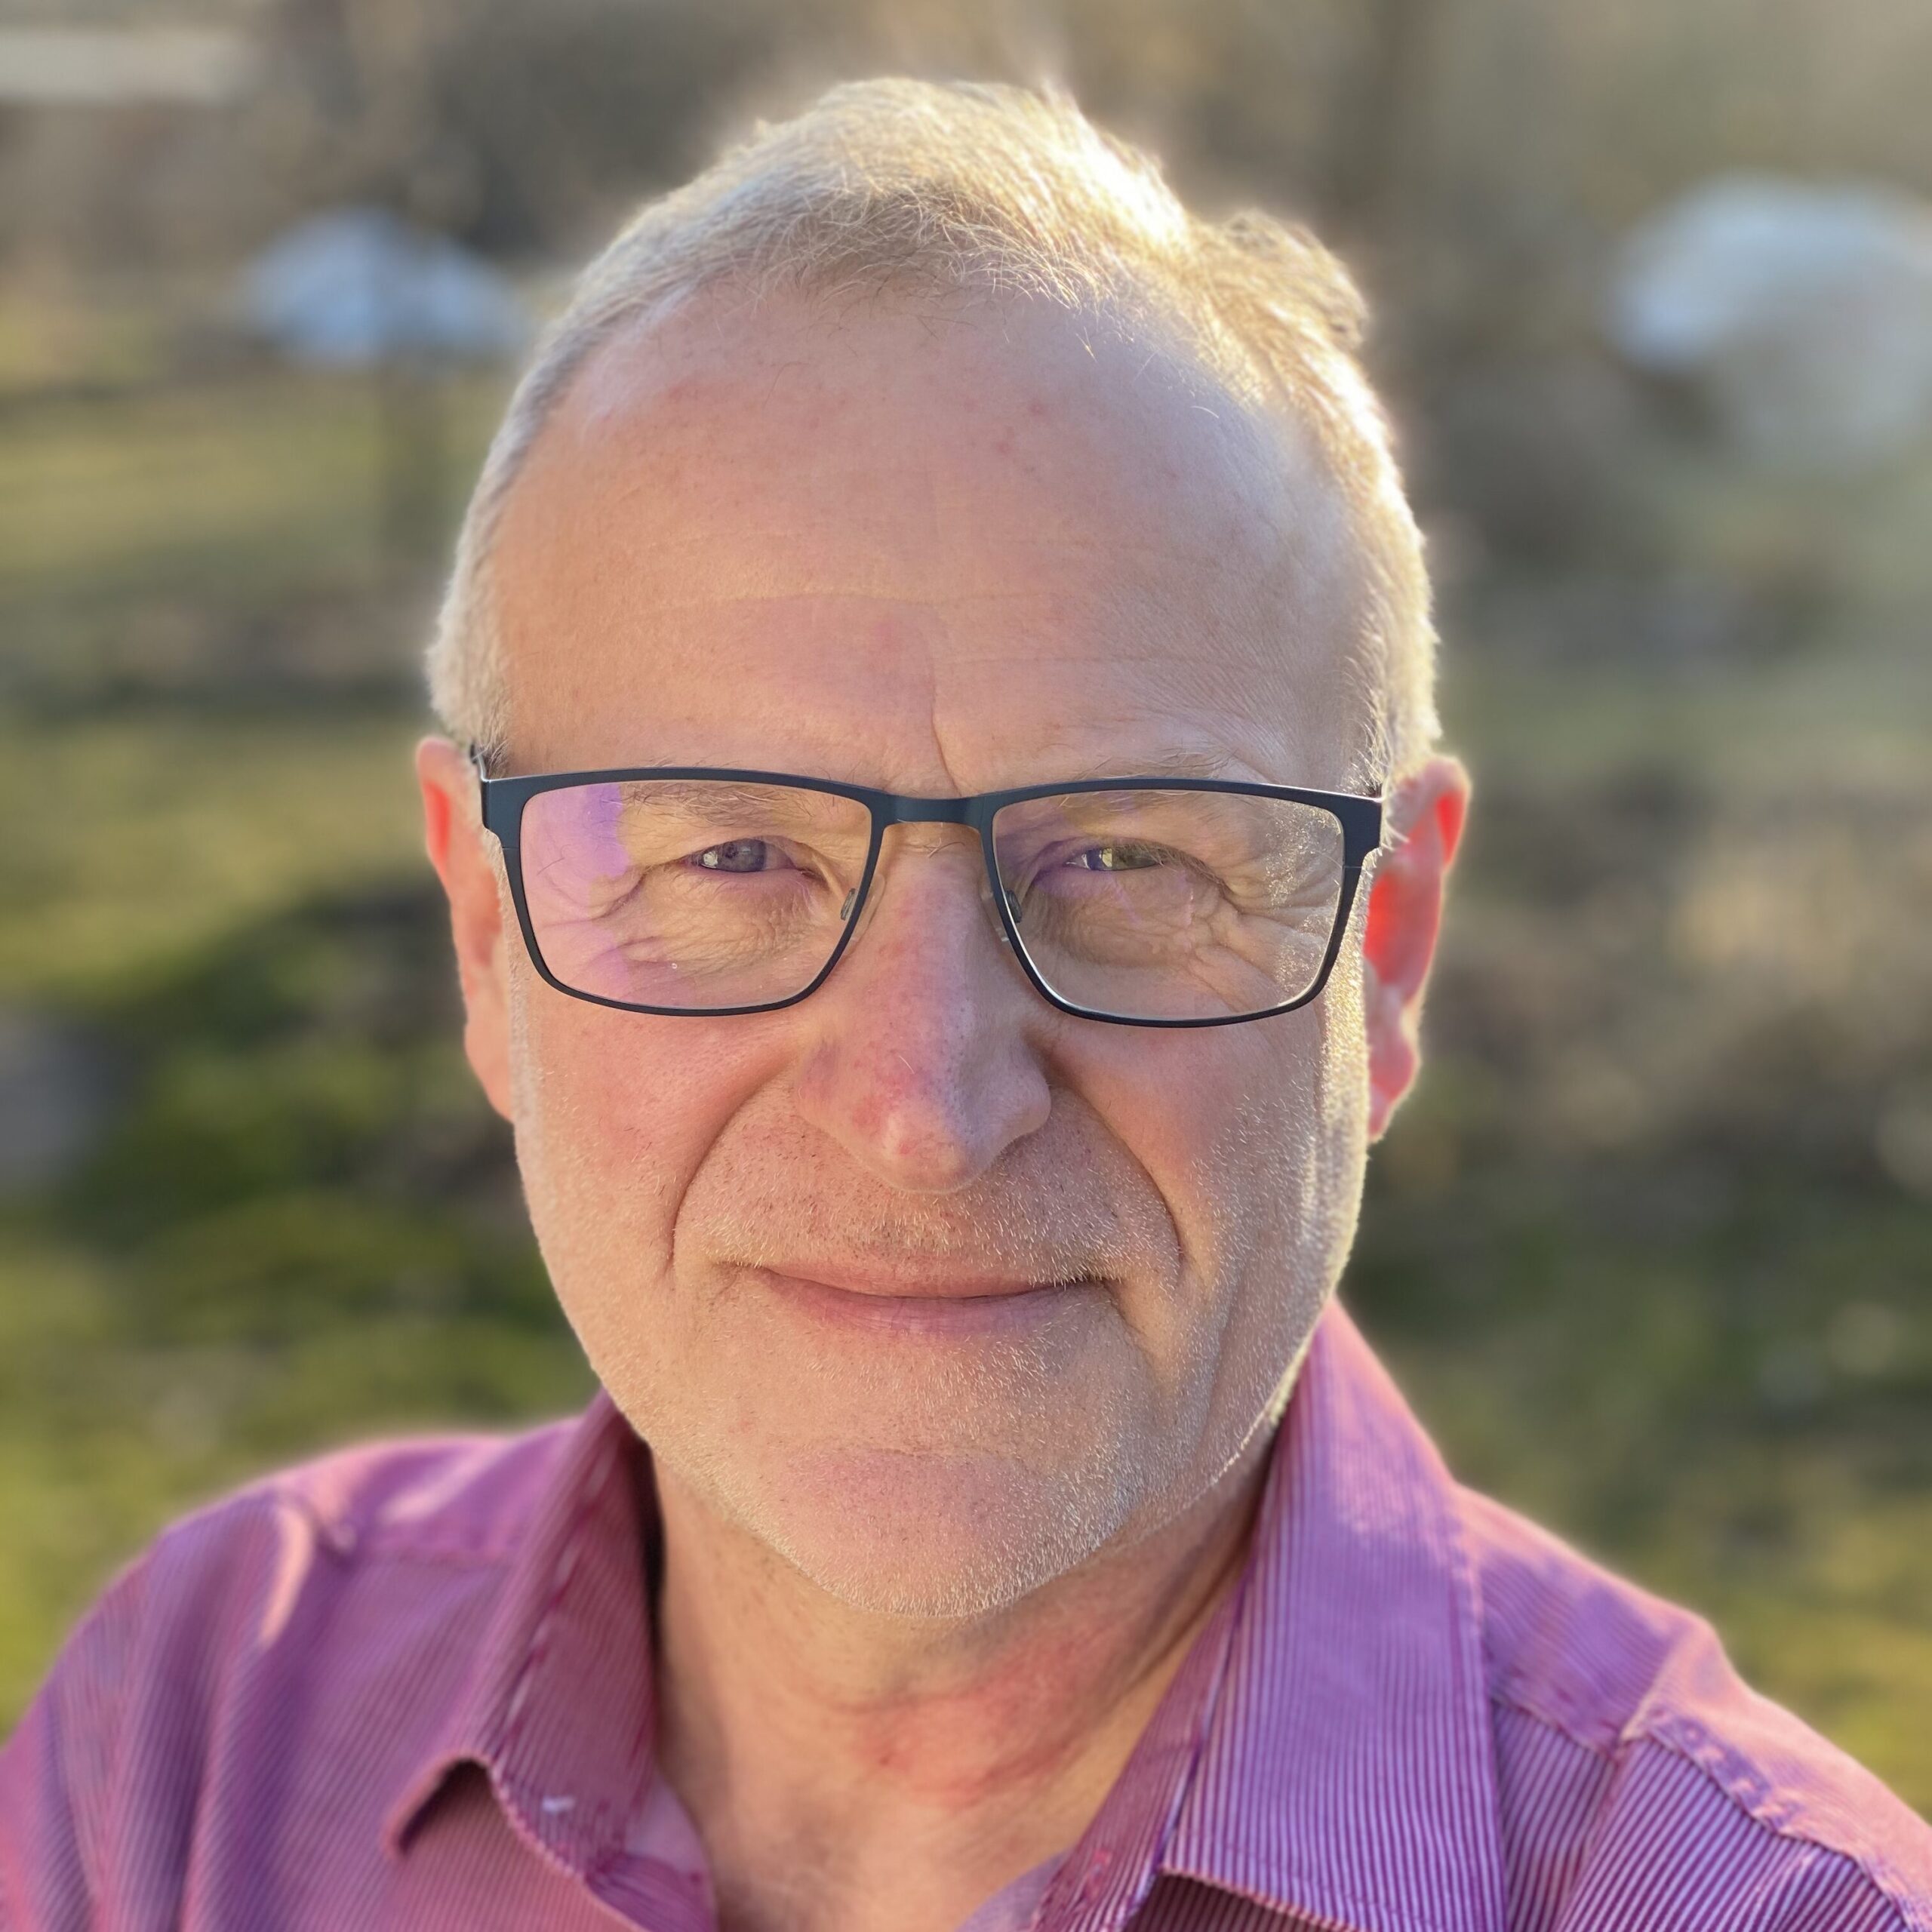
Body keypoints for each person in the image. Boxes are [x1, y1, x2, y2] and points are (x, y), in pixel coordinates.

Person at [2, 78, 1927, 1932]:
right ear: (488, 934)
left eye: (1126, 862)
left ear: (1385, 945)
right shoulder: (191, 1738)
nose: (925, 1102)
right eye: (730, 859)